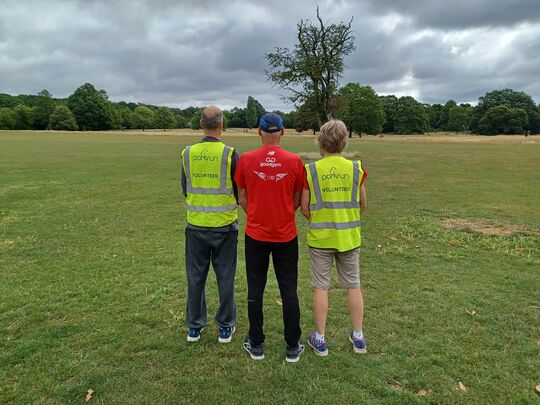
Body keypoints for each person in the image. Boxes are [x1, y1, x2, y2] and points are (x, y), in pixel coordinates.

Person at [234, 113, 305, 362]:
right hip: (286, 235)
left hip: (256, 235)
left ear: (259, 132)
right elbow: (298, 198)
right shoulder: (295, 161)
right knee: (289, 290)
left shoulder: (246, 159)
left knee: (256, 288)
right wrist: (285, 213)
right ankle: (292, 346)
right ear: (283, 132)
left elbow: (241, 197)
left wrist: (254, 214)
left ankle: (256, 344)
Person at [300, 119, 368, 356]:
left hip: (320, 238)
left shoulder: (311, 170)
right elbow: (363, 203)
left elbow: (304, 207)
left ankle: (320, 339)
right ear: (344, 141)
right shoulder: (355, 169)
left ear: (320, 141)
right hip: (348, 237)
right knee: (353, 285)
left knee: (321, 287)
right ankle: (358, 337)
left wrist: (316, 220)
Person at [180, 106, 239, 344]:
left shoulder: (187, 153)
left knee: (195, 278)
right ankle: (226, 326)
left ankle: (194, 327)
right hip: (225, 225)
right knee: (225, 278)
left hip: (196, 225)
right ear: (221, 125)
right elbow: (238, 189)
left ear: (201, 124)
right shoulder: (230, 153)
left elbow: (185, 188)